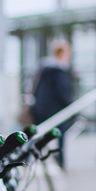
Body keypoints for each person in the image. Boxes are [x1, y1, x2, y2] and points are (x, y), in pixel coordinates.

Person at [31, 40, 73, 168]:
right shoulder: (59, 71)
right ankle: (61, 163)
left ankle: (32, 161)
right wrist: (71, 106)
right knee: (60, 139)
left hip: (41, 110)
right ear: (61, 54)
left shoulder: (44, 70)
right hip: (57, 111)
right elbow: (62, 92)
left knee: (38, 137)